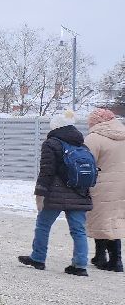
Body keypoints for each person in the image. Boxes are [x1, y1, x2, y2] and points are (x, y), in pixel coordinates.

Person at [19, 109, 94, 276]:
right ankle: (80, 265)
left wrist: (40, 194)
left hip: (55, 193)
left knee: (43, 225)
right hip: (79, 193)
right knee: (78, 230)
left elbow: (46, 171)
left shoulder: (51, 143)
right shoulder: (82, 145)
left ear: (55, 126)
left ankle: (38, 258)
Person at [84, 108, 125, 272]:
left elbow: (86, 164)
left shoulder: (93, 139)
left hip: (101, 185)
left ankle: (109, 259)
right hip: (122, 185)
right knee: (114, 221)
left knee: (101, 221)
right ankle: (108, 258)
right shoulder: (123, 134)